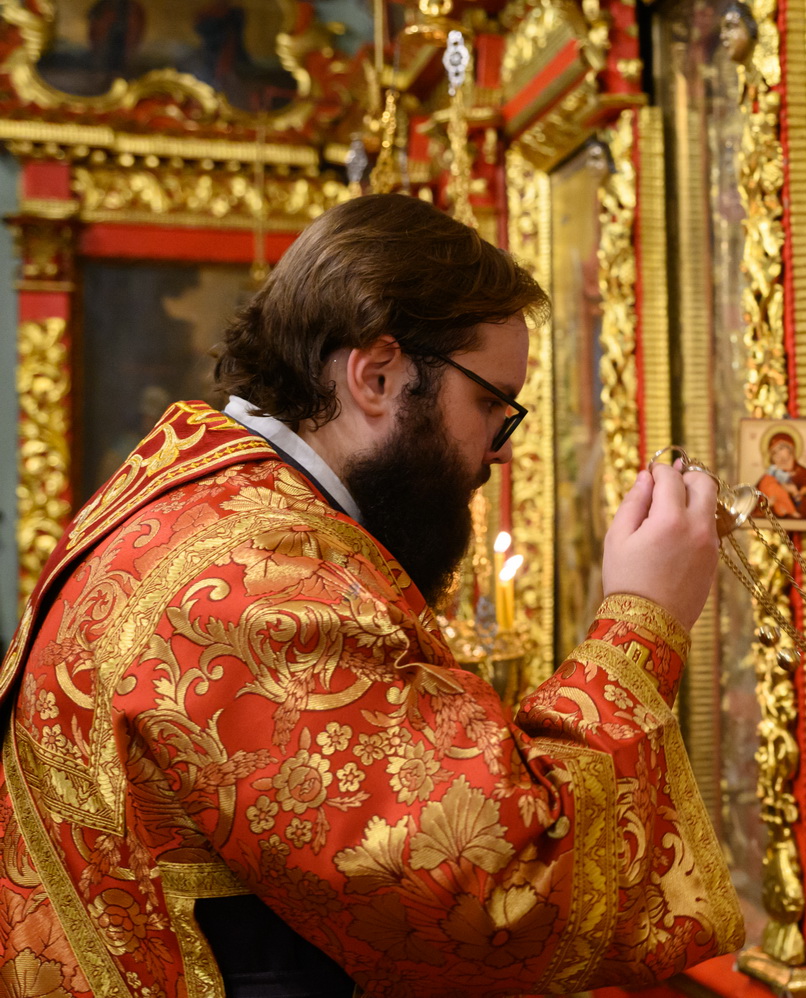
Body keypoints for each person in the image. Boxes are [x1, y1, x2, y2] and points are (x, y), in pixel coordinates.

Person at [0, 194, 744, 997]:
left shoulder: (201, 499)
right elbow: (498, 893)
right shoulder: (255, 587)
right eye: (489, 403)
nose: (497, 450)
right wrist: (643, 618)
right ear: (377, 374)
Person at [755, 429, 806, 520]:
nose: (777, 454)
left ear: (791, 448)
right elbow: (754, 511)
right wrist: (768, 505)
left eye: (781, 448)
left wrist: (795, 492)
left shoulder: (803, 474)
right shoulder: (767, 478)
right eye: (774, 452)